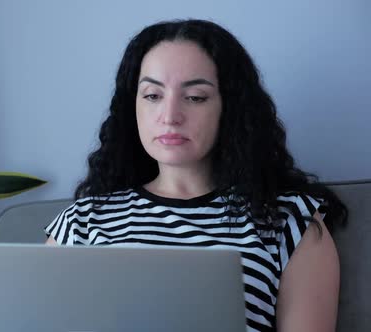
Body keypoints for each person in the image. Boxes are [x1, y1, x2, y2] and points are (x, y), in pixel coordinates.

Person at [44, 19, 347, 332]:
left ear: (228, 108)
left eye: (195, 97)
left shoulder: (290, 220)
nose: (170, 116)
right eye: (152, 95)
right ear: (131, 106)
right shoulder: (82, 220)